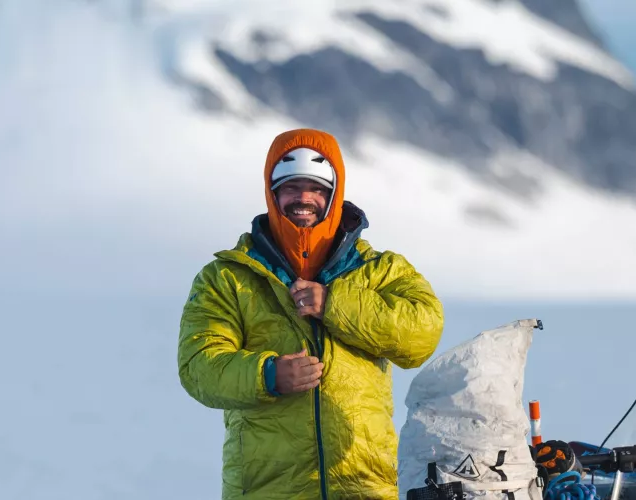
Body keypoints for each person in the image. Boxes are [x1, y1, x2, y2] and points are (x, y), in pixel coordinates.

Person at [177, 128, 445, 499]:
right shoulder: (227, 278)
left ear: (334, 196)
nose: (304, 198)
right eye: (291, 187)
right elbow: (198, 365)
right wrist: (267, 375)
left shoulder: (379, 269)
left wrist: (336, 305)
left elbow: (422, 334)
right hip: (267, 489)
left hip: (364, 487)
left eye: (317, 188)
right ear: (273, 194)